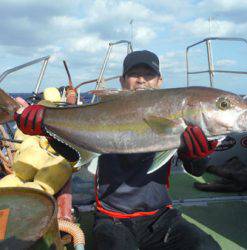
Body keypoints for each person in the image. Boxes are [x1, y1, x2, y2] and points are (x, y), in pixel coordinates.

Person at [14, 50, 221, 250]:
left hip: (161, 216)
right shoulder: (104, 110)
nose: (141, 80)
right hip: (113, 219)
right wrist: (46, 129)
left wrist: (195, 155)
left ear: (160, 81)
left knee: (207, 246)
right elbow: (75, 156)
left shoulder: (175, 114)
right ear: (122, 81)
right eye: (134, 74)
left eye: (149, 74)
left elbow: (196, 171)